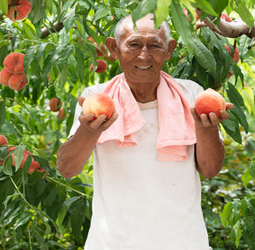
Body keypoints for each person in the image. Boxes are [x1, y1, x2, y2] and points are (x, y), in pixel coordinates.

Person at [57, 13, 233, 249]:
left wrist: (206, 130)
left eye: (155, 46)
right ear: (114, 48)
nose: (144, 55)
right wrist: (88, 132)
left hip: (183, 242)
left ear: (169, 50)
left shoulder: (191, 95)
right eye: (134, 44)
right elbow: (67, 169)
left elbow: (210, 169)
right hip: (113, 243)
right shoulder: (96, 98)